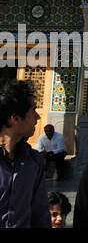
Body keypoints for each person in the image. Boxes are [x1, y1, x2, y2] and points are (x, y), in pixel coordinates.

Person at [0, 79, 49, 228]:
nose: (38, 117)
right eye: (33, 110)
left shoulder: (34, 161)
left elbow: (40, 213)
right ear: (15, 118)